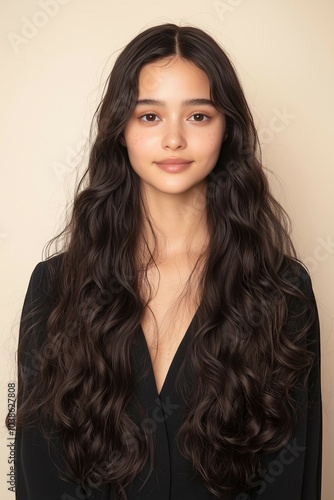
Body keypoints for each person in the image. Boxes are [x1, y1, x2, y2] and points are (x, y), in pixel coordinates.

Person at [9, 23, 322, 499]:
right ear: (121, 131)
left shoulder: (283, 291)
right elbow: (36, 471)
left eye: (198, 116)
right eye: (149, 116)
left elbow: (295, 473)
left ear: (226, 129)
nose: (174, 139)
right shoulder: (55, 287)